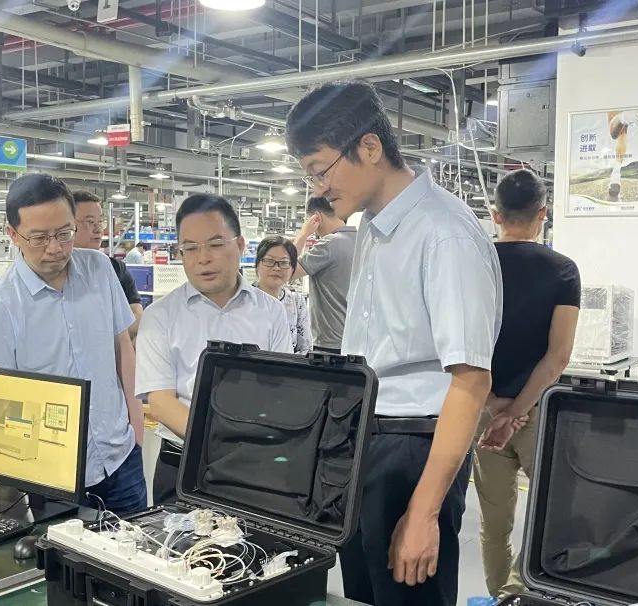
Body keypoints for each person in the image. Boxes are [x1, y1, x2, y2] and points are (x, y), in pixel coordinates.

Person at [286, 80, 502, 606]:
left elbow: (471, 381)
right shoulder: (374, 228)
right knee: (365, 596)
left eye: (320, 169)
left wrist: (424, 511)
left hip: (413, 447)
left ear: (369, 146)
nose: (318, 187)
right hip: (366, 439)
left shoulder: (444, 233)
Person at [0, 173, 146, 515]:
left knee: (138, 542)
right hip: (55, 475)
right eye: (39, 237)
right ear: (13, 234)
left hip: (121, 456)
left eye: (64, 233)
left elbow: (122, 348)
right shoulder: (0, 306)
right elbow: (0, 402)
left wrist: (136, 429)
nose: (55, 248)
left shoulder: (100, 269)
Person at [135, 194, 291, 504]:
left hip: (256, 466)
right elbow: (162, 402)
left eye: (216, 244)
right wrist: (225, 445)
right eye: (190, 248)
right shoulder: (160, 316)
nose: (203, 258)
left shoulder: (271, 312)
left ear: (241, 245)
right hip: (183, 464)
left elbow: (281, 390)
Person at [472, 170, 580, 598]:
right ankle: (518, 592)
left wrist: (493, 406)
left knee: (493, 523)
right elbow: (558, 357)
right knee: (553, 512)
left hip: (482, 411)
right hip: (538, 414)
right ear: (543, 214)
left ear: (496, 214)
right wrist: (516, 412)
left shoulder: (475, 266)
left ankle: (500, 595)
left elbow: (460, 343)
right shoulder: (562, 270)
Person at [71, 190, 144, 338]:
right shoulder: (56, 270)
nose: (98, 229)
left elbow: (136, 316)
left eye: (100, 222)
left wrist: (105, 337)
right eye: (90, 222)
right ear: (69, 225)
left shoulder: (116, 269)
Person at [291, 196, 356, 354]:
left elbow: (287, 271)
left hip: (330, 343)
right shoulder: (361, 240)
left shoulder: (328, 244)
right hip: (356, 338)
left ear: (317, 217)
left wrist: (303, 234)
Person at [254, 235, 312, 355]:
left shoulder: (296, 302)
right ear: (258, 264)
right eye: (269, 261)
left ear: (292, 269)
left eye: (284, 263)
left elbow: (305, 349)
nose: (276, 268)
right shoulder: (245, 298)